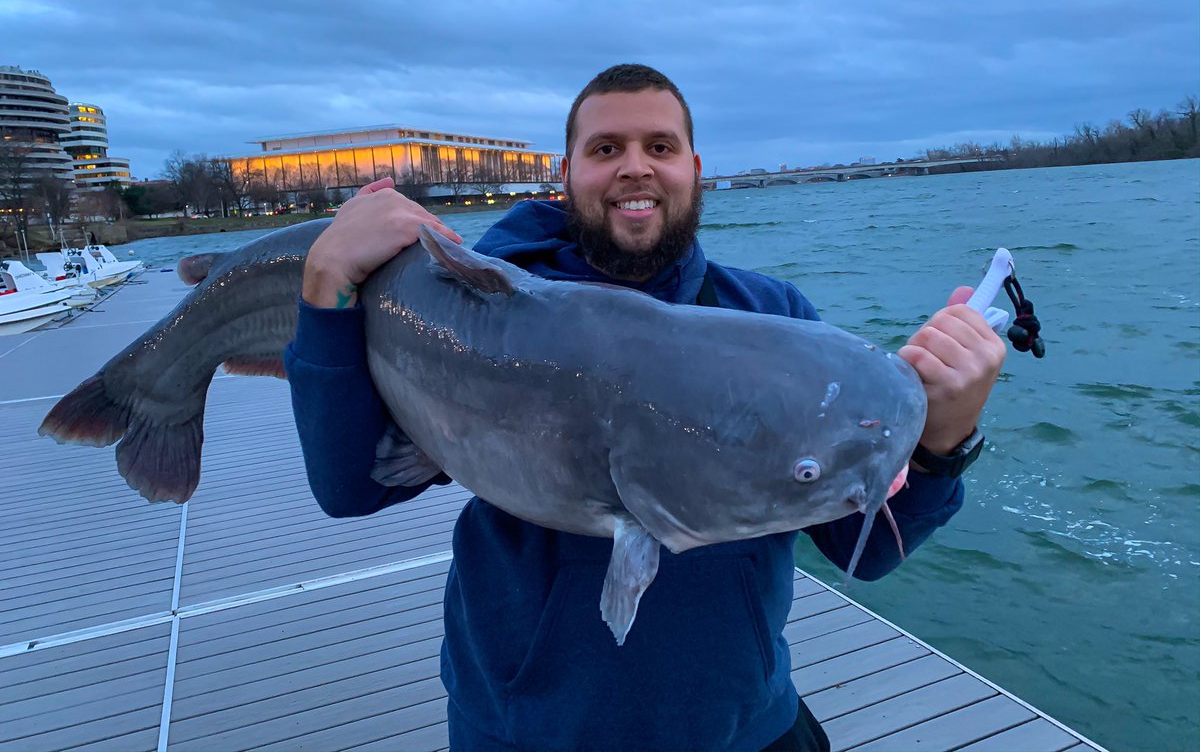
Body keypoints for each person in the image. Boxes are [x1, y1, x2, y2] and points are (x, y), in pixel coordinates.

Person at [285, 64, 1006, 751]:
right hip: (524, 732)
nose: (636, 167)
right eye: (606, 149)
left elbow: (866, 549)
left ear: (695, 169)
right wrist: (326, 289)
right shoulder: (472, 307)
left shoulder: (776, 317)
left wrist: (944, 439)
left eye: (660, 146)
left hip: (742, 726)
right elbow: (352, 488)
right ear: (565, 175)